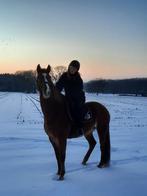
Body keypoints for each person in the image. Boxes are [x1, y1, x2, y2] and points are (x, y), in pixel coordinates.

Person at [56, 60, 85, 131]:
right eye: (71, 67)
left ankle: (79, 126)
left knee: (75, 109)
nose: (72, 69)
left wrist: (70, 97)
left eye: (74, 69)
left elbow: (77, 91)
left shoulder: (79, 79)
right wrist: (55, 93)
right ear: (69, 67)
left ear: (77, 70)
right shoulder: (64, 76)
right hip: (68, 97)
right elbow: (58, 86)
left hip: (78, 98)